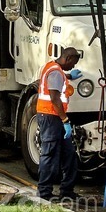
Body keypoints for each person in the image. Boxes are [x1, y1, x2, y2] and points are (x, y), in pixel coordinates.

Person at [36, 47, 83, 201]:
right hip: (51, 117)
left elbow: (57, 80)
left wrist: (69, 76)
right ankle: (44, 193)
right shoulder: (56, 72)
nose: (73, 66)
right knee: (49, 155)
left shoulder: (54, 68)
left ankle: (67, 191)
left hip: (53, 117)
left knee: (69, 154)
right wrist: (65, 120)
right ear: (68, 58)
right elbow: (55, 98)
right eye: (73, 63)